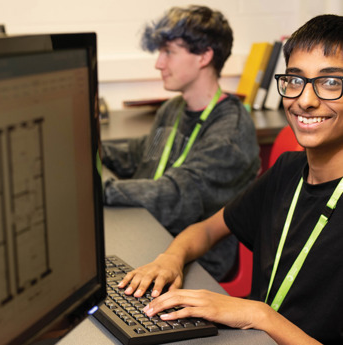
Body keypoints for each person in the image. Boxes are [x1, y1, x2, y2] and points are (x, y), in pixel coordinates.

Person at [117, 14, 343, 345]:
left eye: (331, 82)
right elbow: (208, 229)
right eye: (295, 80)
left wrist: (259, 314)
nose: (306, 100)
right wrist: (170, 259)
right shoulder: (287, 171)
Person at [102, 5, 261, 281]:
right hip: (149, 229)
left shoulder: (230, 133)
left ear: (204, 56)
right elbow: (141, 155)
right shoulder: (173, 110)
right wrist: (83, 152)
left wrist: (98, 190)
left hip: (196, 262)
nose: (158, 63)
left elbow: (174, 197)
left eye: (169, 52)